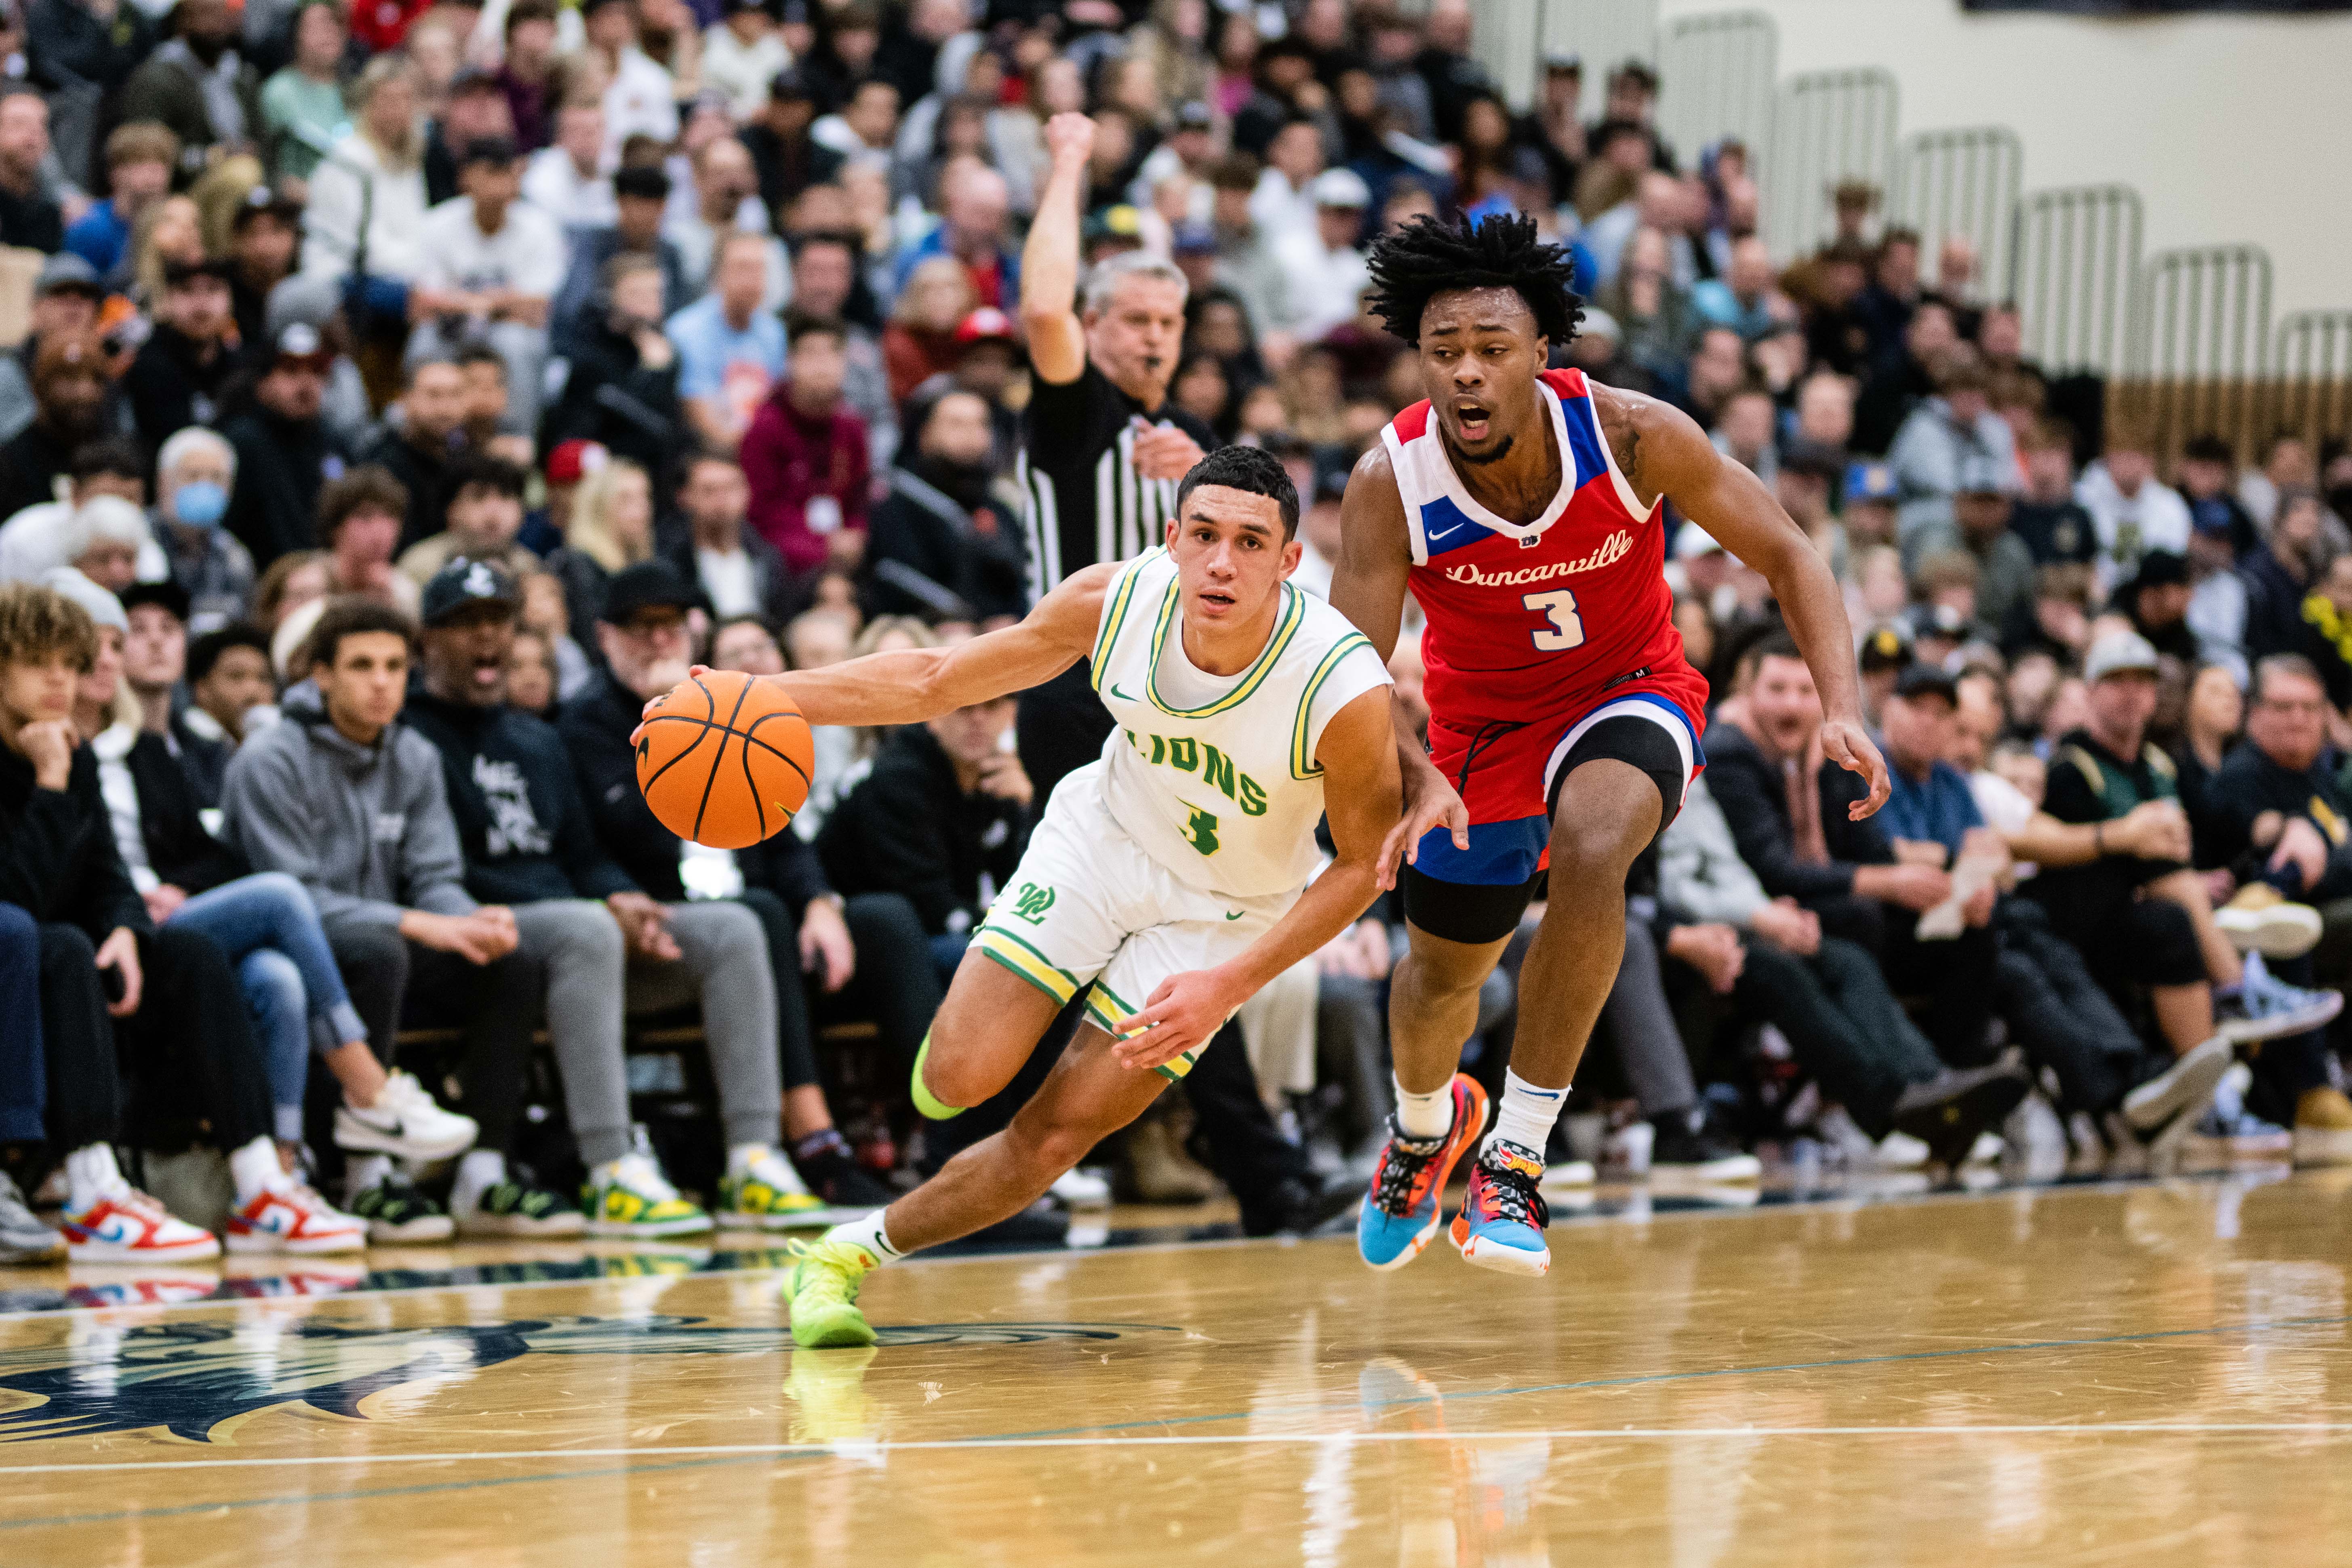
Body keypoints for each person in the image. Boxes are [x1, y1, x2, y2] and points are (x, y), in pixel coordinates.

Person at [1328, 212, 1891, 1280]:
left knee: (1595, 843)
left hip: (1628, 690)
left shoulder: (1632, 434)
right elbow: (1349, 672)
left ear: (1542, 354)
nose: (1466, 374)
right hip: (1477, 729)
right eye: (1443, 352)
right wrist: (1410, 773)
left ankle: (1516, 1160)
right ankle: (1419, 1128)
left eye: (1491, 349)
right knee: (1438, 976)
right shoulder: (1386, 481)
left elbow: (1789, 552)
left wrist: (1841, 705)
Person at [754, 446, 1398, 1345]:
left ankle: (841, 1255)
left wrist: (1235, 982)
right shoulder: (1117, 599)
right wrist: (760, 695)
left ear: (1290, 562)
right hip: (1102, 840)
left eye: (1251, 542)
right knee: (958, 1076)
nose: (1222, 561)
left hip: (1220, 915)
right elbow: (938, 678)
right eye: (1204, 534)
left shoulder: (1338, 683)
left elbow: (1362, 862)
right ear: (1171, 538)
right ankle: (988, 1036)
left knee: (1056, 1135)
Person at [404, 556, 851, 1231]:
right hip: (485, 934)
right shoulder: (413, 736)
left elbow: (584, 855)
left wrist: (619, 897)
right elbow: (439, 870)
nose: (486, 636)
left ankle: (753, 1160)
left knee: (733, 928)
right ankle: (612, 1166)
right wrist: (597, 908)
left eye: (496, 619)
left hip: (579, 936)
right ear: (427, 640)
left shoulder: (536, 736)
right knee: (585, 929)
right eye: (465, 623)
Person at [2, 578, 367, 1259]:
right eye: (38, 661)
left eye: (70, 663)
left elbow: (111, 877)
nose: (61, 680)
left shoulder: (72, 752)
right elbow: (13, 905)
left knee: (193, 951)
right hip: (32, 968)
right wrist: (49, 789)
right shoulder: (51, 763)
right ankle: (91, 1191)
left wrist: (127, 932)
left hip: (78, 967)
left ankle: (261, 1181)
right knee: (55, 943)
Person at [560, 560, 899, 1212]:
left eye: (671, 627)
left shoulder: (730, 707)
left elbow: (780, 830)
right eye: (642, 628)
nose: (660, 641)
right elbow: (591, 845)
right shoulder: (584, 726)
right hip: (658, 926)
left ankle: (959, 1135)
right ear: (605, 638)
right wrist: (667, 735)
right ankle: (806, 1141)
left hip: (746, 915)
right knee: (760, 915)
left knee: (877, 917)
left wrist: (821, 904)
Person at [222, 598, 545, 1242]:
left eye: (396, 666)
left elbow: (436, 881)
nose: (381, 681)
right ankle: (366, 1176)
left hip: (387, 940)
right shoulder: (271, 759)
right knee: (379, 948)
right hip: (287, 953)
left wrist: (471, 922)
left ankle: (482, 1171)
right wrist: (422, 923)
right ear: (320, 675)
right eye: (362, 665)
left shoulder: (415, 756)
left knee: (514, 960)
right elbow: (293, 899)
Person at [411, 135, 565, 431]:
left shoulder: (539, 227)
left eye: (503, 172)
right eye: (488, 172)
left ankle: (517, 440)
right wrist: (494, 302)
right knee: (424, 341)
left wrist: (470, 302)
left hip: (506, 329)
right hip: (451, 327)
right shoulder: (438, 223)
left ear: (516, 177)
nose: (496, 185)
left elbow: (537, 310)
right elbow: (419, 305)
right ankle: (421, 435)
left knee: (517, 344)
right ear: (466, 176)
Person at [865, 387, 1026, 624]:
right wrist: (970, 621)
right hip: (921, 632)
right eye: (956, 424)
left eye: (980, 424)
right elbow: (896, 580)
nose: (971, 435)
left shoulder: (999, 509)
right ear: (925, 434)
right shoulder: (899, 501)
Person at [741, 315, 870, 577]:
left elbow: (861, 501)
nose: (823, 365)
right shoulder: (765, 428)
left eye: (833, 353)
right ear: (790, 362)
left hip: (843, 554)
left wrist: (856, 535)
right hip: (785, 559)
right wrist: (824, 547)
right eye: (811, 354)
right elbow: (761, 515)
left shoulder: (852, 427)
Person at [221, 323, 343, 570]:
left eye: (316, 372)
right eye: (290, 371)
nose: (306, 384)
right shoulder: (241, 443)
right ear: (262, 382)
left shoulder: (332, 444)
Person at [668, 229, 788, 454]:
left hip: (760, 450)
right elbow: (698, 418)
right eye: (742, 267)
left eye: (760, 269)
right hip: (705, 453)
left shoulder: (774, 332)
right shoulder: (687, 330)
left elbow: (777, 405)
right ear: (718, 274)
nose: (753, 279)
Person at [659, 449, 793, 625]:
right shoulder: (670, 564)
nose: (722, 500)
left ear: (747, 492)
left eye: (731, 488)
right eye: (710, 491)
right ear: (684, 497)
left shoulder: (768, 559)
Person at [362, 357, 472, 552]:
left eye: (455, 395)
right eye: (433, 395)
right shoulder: (381, 467)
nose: (445, 408)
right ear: (406, 399)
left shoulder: (469, 459)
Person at [148, 426, 251, 635]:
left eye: (217, 478)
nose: (205, 486)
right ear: (163, 483)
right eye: (193, 476)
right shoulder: (137, 542)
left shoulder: (235, 558)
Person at [398, 451, 535, 587]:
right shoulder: (421, 565)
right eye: (479, 497)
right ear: (451, 509)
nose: (494, 512)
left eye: (505, 496)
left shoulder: (531, 569)